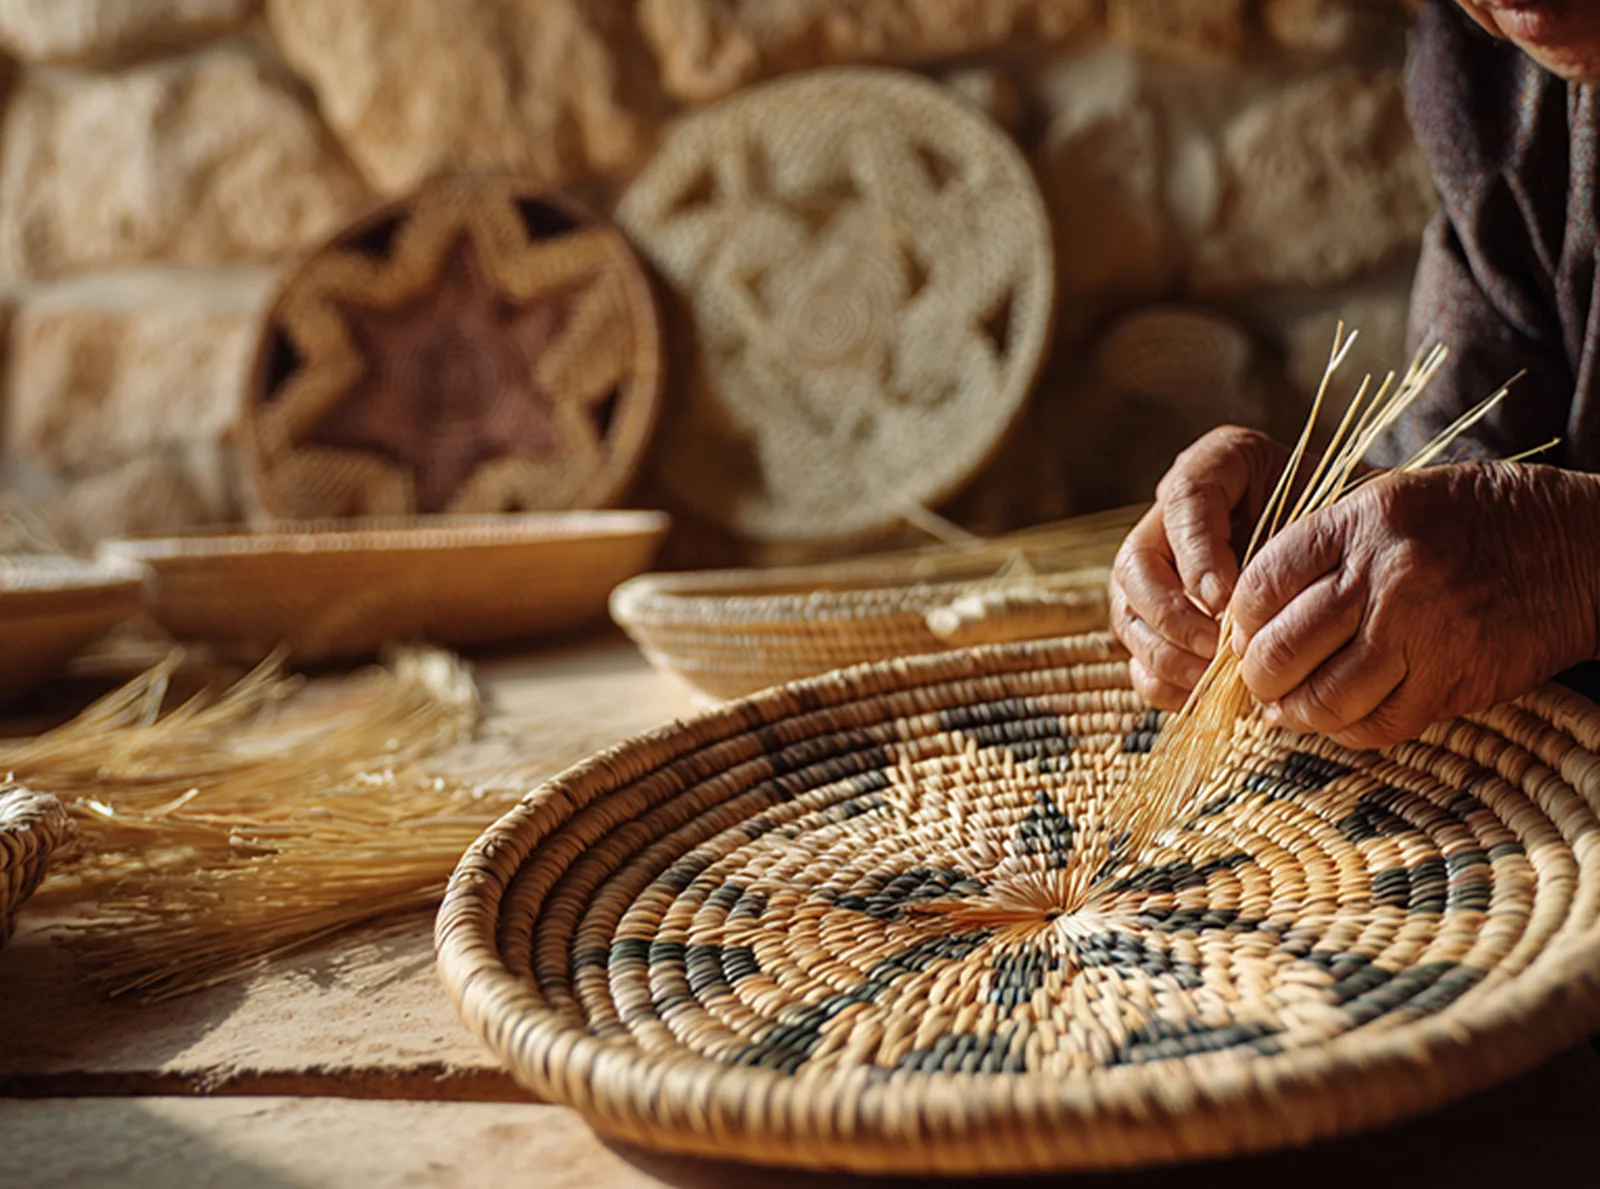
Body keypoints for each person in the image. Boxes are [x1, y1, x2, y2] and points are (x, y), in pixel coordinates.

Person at [1112, 0, 1600, 748]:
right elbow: (1480, 466)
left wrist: (1576, 560)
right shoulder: (1488, 60)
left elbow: (1534, 551)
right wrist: (1316, 527)